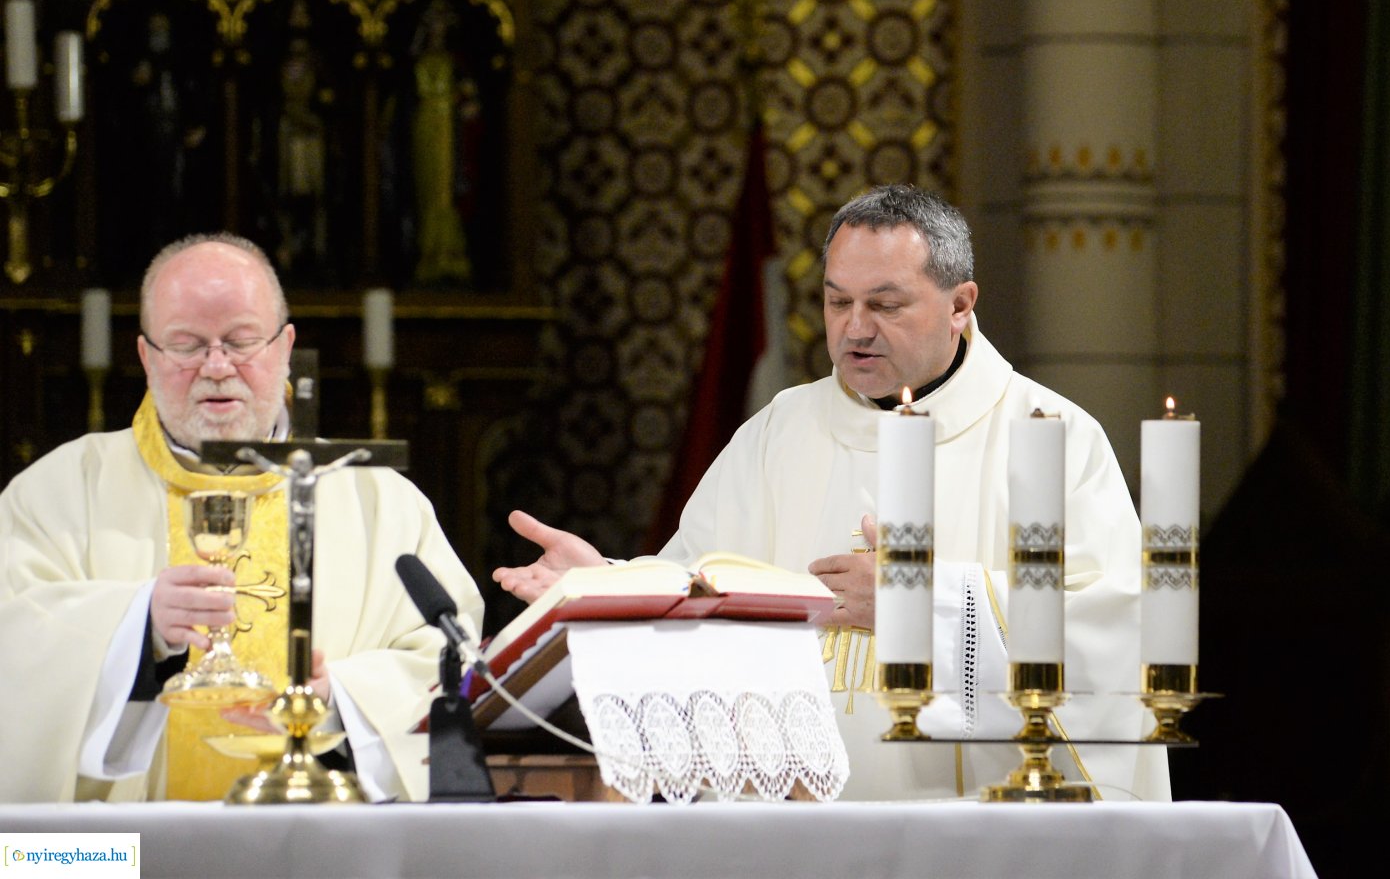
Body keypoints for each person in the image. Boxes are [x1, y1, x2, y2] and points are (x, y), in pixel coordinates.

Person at [497, 185, 1169, 801]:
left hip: (978, 838)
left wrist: (926, 609)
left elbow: (1110, 638)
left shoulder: (1051, 438)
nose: (854, 328)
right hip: (791, 836)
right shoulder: (780, 430)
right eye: (837, 300)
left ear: (961, 305)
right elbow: (698, 584)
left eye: (885, 304)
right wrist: (604, 588)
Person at [0, 234, 481, 803]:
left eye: (241, 341)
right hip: (119, 854)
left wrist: (343, 698)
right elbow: (16, 642)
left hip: (317, 848)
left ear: (285, 347)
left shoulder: (381, 501)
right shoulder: (57, 494)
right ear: (145, 356)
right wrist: (136, 625)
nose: (217, 366)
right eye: (186, 344)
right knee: (45, 863)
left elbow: (454, 656)